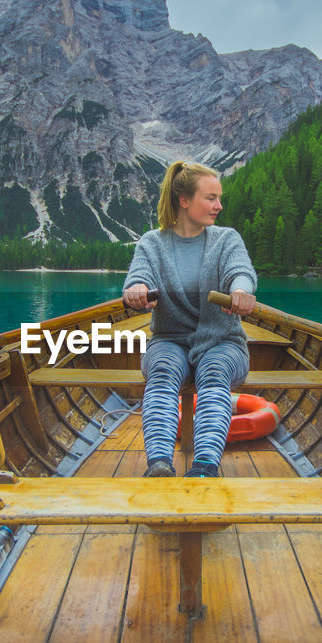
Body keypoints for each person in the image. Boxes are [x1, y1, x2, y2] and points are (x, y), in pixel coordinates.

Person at [123, 160, 257, 478]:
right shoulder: (151, 243)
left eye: (219, 198)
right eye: (210, 198)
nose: (219, 206)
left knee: (213, 370)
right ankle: (158, 463)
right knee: (163, 370)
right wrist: (136, 290)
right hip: (168, 340)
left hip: (223, 341)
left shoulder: (227, 240)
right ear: (184, 200)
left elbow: (241, 272)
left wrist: (241, 291)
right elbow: (136, 278)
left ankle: (205, 465)